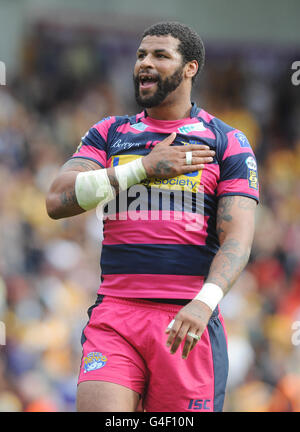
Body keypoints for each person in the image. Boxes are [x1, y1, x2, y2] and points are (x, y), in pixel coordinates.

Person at [46, 21, 259, 412]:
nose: (146, 62)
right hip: (115, 316)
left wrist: (204, 303)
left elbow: (238, 240)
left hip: (185, 321)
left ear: (190, 67)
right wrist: (142, 168)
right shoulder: (109, 134)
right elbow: (57, 199)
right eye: (141, 54)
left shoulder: (226, 141)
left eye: (160, 55)